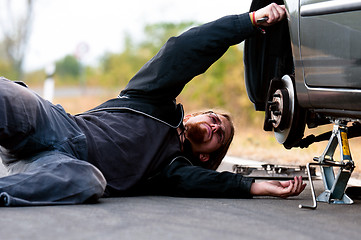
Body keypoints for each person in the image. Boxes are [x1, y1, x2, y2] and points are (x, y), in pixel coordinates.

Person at [0, 3, 305, 206]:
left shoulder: (171, 170)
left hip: (56, 167)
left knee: (88, 182)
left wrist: (258, 187)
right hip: (58, 128)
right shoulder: (152, 100)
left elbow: (212, 184)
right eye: (214, 118)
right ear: (195, 114)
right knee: (15, 98)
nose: (213, 125)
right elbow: (184, 51)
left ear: (204, 157)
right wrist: (248, 22)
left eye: (220, 135)